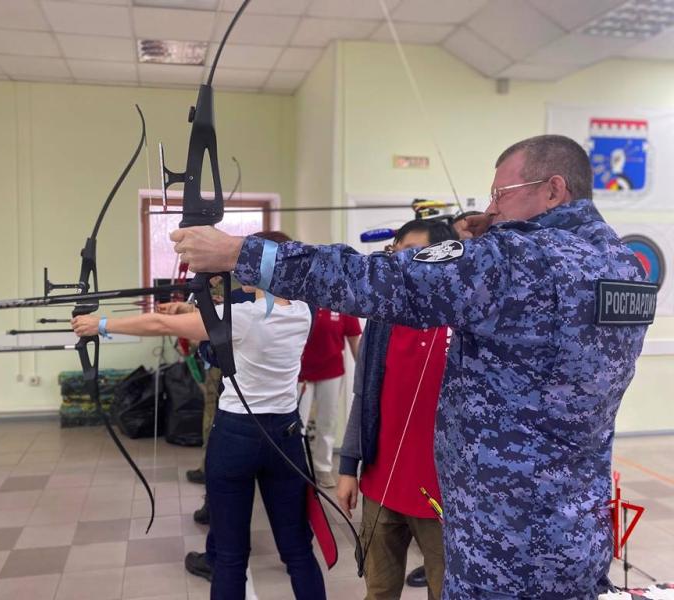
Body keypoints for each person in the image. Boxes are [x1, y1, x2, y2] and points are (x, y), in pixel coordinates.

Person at [170, 135, 653, 599]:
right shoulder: (624, 266)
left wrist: (239, 253)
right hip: (576, 530)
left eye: (501, 195)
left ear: (554, 188)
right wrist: (490, 244)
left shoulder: (518, 261)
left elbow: (382, 280)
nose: (492, 209)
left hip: (504, 542)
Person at [73, 231, 325, 600]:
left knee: (230, 556)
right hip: (286, 436)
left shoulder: (243, 316)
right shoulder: (304, 310)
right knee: (299, 550)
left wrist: (101, 325)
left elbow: (161, 326)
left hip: (237, 435)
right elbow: (226, 318)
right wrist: (190, 312)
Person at [337, 219, 455, 600]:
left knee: (447, 591)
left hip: (442, 496)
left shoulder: (463, 322)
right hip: (380, 484)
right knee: (379, 590)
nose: (404, 266)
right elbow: (362, 396)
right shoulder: (382, 317)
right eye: (397, 254)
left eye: (416, 256)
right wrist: (347, 467)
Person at [298, 305, 361, 488]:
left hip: (331, 372)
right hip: (301, 374)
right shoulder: (300, 299)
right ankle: (297, 468)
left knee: (327, 422)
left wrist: (364, 373)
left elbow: (354, 340)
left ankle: (323, 468)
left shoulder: (342, 302)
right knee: (297, 424)